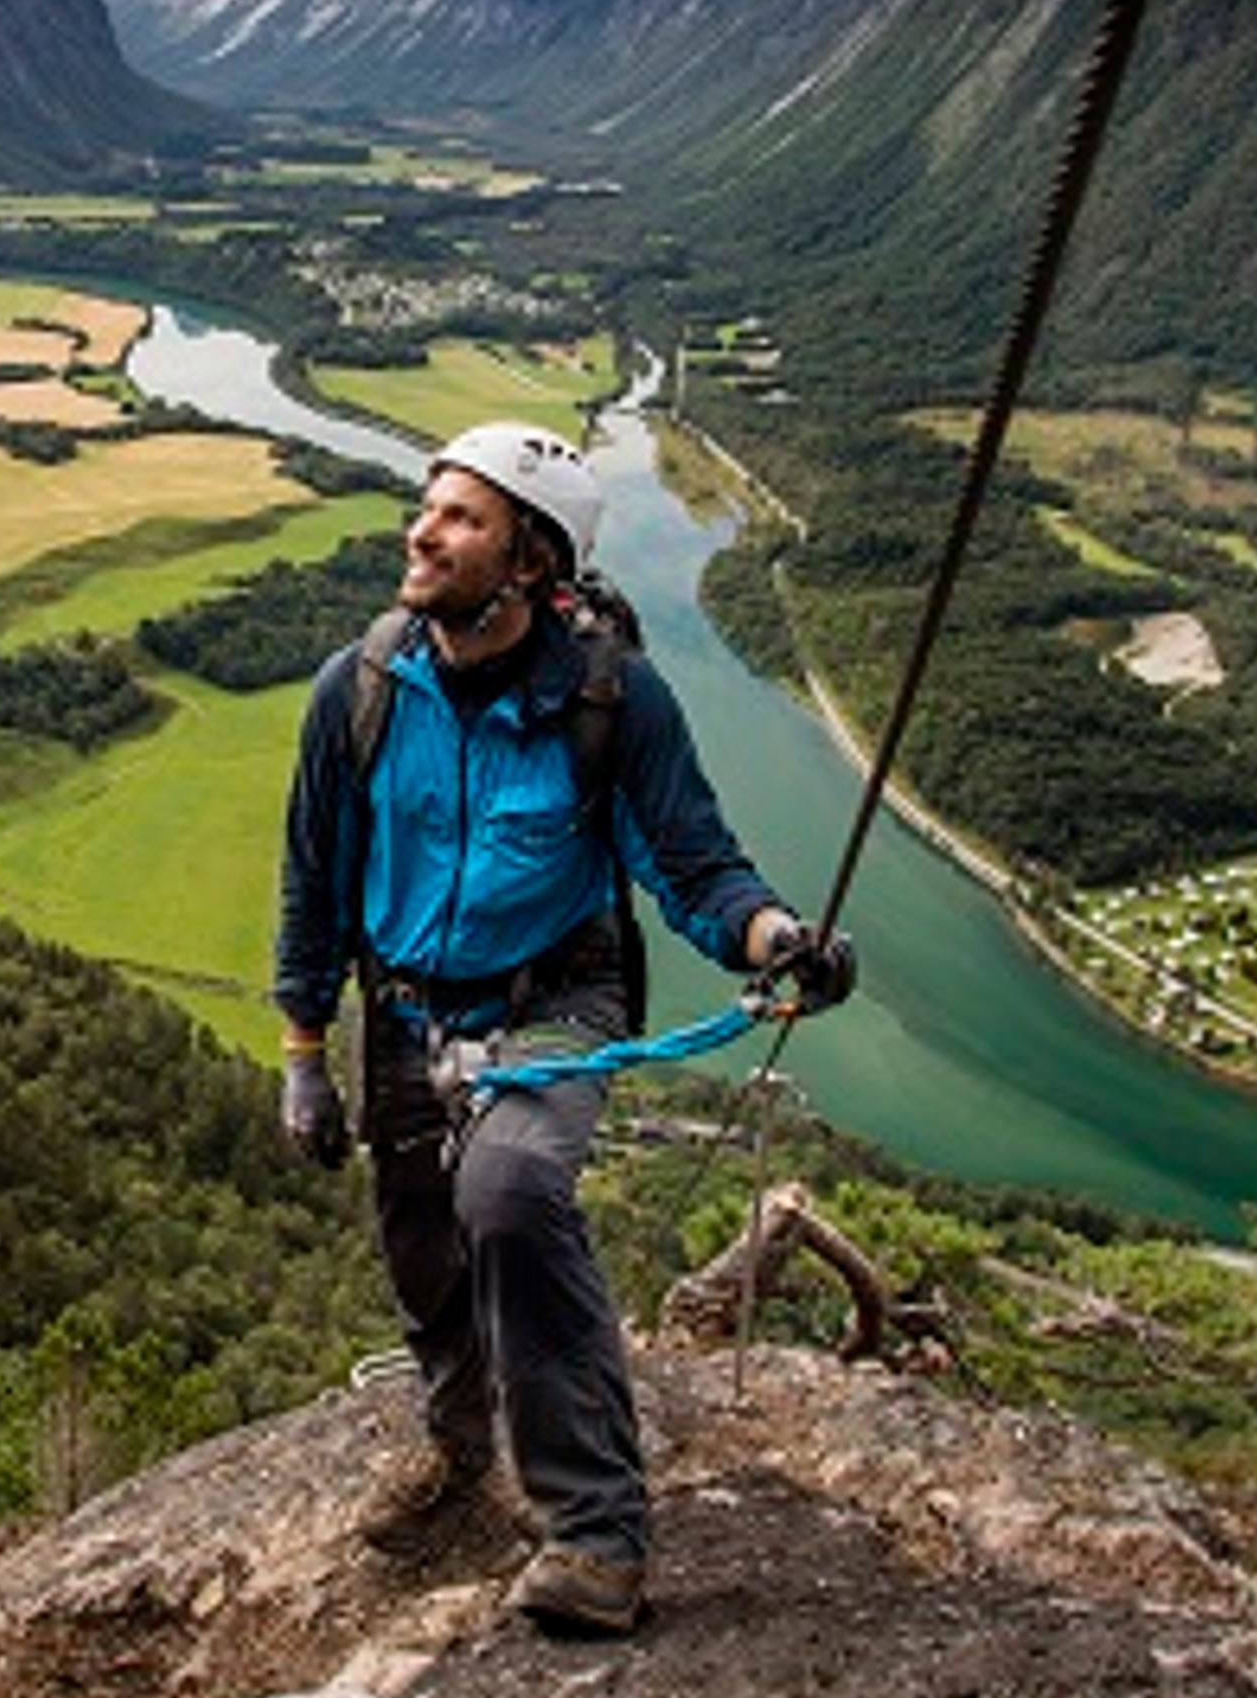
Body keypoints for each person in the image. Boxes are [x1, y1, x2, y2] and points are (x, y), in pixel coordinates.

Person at [271, 420, 852, 1636]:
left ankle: (596, 1529)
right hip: (405, 1010)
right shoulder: (362, 686)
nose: (423, 532)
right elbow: (314, 877)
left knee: (511, 1195)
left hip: (554, 1003)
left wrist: (778, 940)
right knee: (423, 1246)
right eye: (427, 507)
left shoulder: (609, 699)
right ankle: (457, 1440)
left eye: (461, 517)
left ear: (531, 559)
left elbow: (694, 865)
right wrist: (305, 1056)